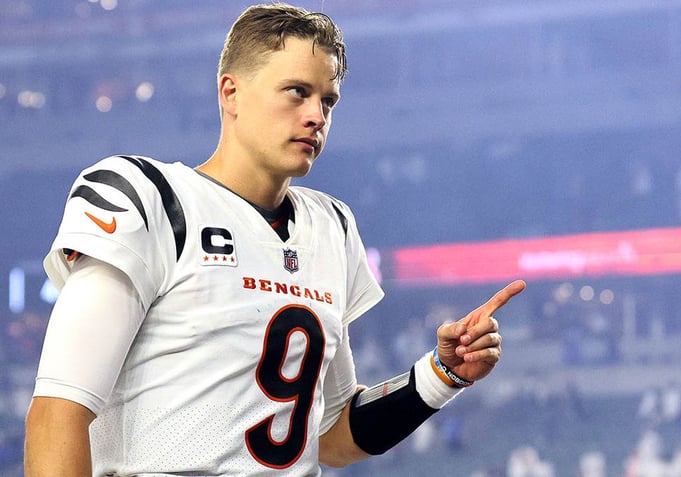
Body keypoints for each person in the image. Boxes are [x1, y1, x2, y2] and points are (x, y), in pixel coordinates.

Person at [23, 3, 526, 476]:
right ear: (231, 93)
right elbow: (58, 410)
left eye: (327, 100)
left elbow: (330, 435)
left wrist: (442, 374)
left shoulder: (332, 226)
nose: (316, 115)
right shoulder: (149, 199)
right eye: (296, 92)